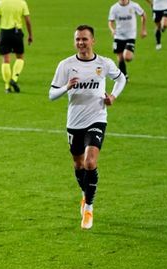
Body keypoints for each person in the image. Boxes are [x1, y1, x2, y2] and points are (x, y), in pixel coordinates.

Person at [49, 25, 126, 230]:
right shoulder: (66, 65)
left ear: (93, 41)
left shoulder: (104, 63)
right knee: (78, 165)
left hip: (97, 118)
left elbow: (121, 79)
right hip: (74, 122)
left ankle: (89, 208)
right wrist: (67, 87)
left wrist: (113, 96)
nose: (81, 43)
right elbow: (51, 94)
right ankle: (85, 195)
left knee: (90, 162)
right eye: (77, 40)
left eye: (84, 39)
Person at [0, 0, 32, 93]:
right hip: (17, 32)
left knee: (5, 59)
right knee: (20, 57)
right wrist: (30, 35)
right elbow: (27, 21)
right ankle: (14, 79)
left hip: (4, 33)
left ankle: (7, 86)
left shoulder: (1, 2)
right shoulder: (22, 2)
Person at [108, 0, 147, 79]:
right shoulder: (114, 8)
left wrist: (143, 29)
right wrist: (112, 29)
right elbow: (110, 21)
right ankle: (124, 76)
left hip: (130, 36)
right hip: (118, 36)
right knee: (120, 58)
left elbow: (143, 15)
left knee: (127, 57)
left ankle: (130, 52)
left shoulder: (134, 5)